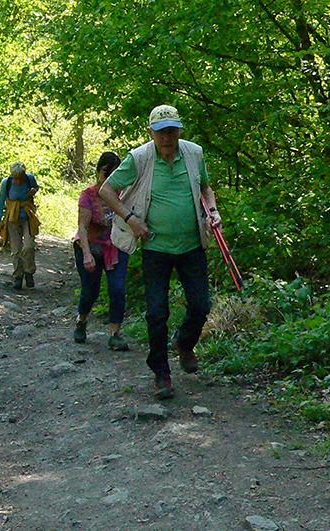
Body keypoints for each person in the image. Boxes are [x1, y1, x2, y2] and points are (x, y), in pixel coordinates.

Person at [99, 104, 222, 400]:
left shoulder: (194, 153)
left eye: (172, 130)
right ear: (151, 132)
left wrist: (214, 211)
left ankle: (184, 343)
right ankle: (161, 374)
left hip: (192, 245)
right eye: (161, 131)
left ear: (179, 130)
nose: (167, 136)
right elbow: (106, 190)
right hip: (155, 247)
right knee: (156, 313)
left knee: (201, 306)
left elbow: (205, 188)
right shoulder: (139, 158)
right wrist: (130, 218)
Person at [73, 152, 130, 351]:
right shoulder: (88, 195)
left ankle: (114, 333)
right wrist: (87, 254)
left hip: (116, 246)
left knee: (117, 288)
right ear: (98, 171)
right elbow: (82, 226)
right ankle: (81, 320)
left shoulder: (123, 194)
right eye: (106, 173)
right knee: (91, 289)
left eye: (114, 174)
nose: (109, 178)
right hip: (91, 245)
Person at [0, 162, 40, 290]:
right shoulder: (7, 183)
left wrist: (34, 191)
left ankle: (29, 272)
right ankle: (18, 276)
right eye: (16, 178)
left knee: (29, 246)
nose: (18, 181)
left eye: (20, 178)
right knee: (16, 249)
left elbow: (36, 187)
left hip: (28, 217)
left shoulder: (30, 179)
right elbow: (0, 202)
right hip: (12, 218)